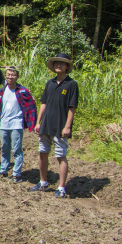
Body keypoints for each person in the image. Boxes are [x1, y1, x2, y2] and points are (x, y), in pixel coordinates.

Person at [30, 53, 78, 198]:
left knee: (61, 156)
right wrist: (38, 122)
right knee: (42, 153)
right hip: (46, 124)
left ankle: (61, 188)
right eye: (56, 62)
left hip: (60, 126)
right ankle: (43, 182)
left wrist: (67, 126)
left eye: (62, 63)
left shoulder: (71, 84)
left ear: (67, 66)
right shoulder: (50, 83)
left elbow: (72, 107)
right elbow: (43, 103)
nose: (58, 65)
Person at [0, 67, 37, 182]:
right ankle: (3, 171)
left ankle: (17, 174)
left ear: (17, 77)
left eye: (13, 75)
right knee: (4, 149)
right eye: (8, 74)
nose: (10, 77)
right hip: (4, 124)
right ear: (5, 76)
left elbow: (31, 105)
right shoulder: (2, 91)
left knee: (17, 150)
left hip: (16, 124)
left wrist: (31, 122)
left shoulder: (22, 91)